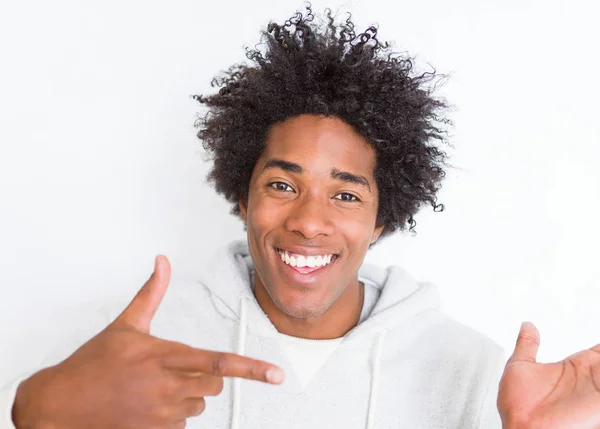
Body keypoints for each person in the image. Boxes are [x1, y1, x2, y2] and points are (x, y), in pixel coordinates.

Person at [4, 6, 600, 429]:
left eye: (345, 195)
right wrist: (34, 413)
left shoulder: (469, 368)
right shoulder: (136, 342)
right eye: (283, 184)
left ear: (382, 219)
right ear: (242, 196)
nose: (309, 222)